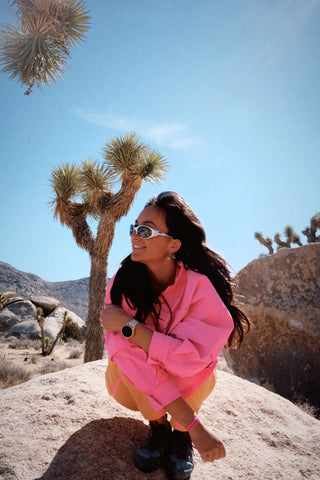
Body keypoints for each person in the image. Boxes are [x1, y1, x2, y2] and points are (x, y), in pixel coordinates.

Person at [100, 191, 250, 480]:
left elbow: (190, 360)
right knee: (129, 362)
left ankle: (179, 435)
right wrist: (197, 427)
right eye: (134, 227)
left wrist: (131, 326)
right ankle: (158, 426)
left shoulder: (199, 288)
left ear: (174, 244)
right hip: (136, 383)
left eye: (145, 230)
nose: (134, 236)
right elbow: (129, 356)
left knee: (188, 367)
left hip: (188, 380)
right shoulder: (122, 285)